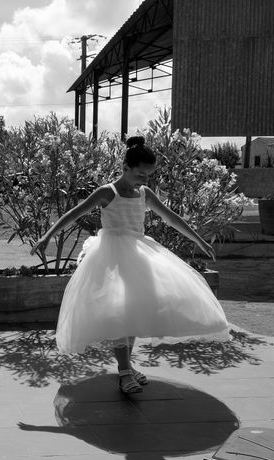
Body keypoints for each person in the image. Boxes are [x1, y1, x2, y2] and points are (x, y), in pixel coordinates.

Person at [30, 136, 230, 394]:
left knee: (132, 311)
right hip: (112, 258)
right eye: (140, 174)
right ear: (125, 167)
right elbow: (74, 213)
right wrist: (47, 236)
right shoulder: (107, 192)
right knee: (118, 311)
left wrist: (199, 240)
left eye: (148, 176)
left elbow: (171, 218)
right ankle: (125, 371)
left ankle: (126, 366)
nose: (144, 180)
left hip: (140, 255)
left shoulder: (144, 194)